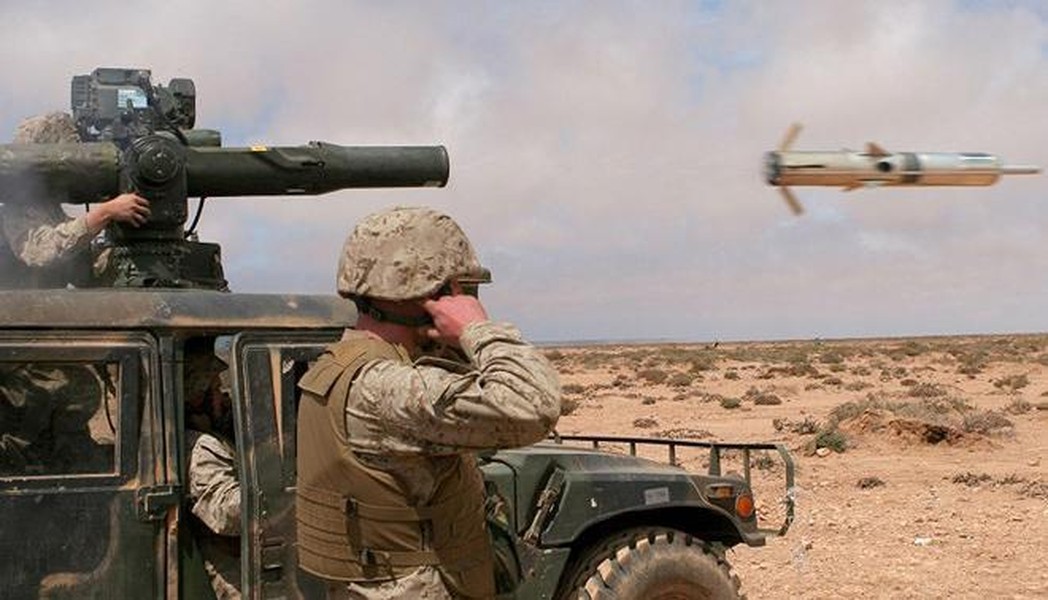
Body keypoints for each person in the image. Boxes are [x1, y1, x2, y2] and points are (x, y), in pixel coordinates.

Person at [295, 206, 561, 599]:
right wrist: (477, 329)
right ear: (429, 296)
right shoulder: (385, 387)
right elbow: (534, 406)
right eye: (457, 289)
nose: (464, 297)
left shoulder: (338, 366)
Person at [0, 112, 151, 288]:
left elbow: (81, 272)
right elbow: (40, 251)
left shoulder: (49, 208)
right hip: (21, 304)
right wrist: (105, 213)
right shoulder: (16, 207)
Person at [184, 339, 242, 600]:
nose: (224, 397)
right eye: (217, 389)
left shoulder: (210, 435)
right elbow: (225, 513)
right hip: (228, 568)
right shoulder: (201, 447)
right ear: (198, 396)